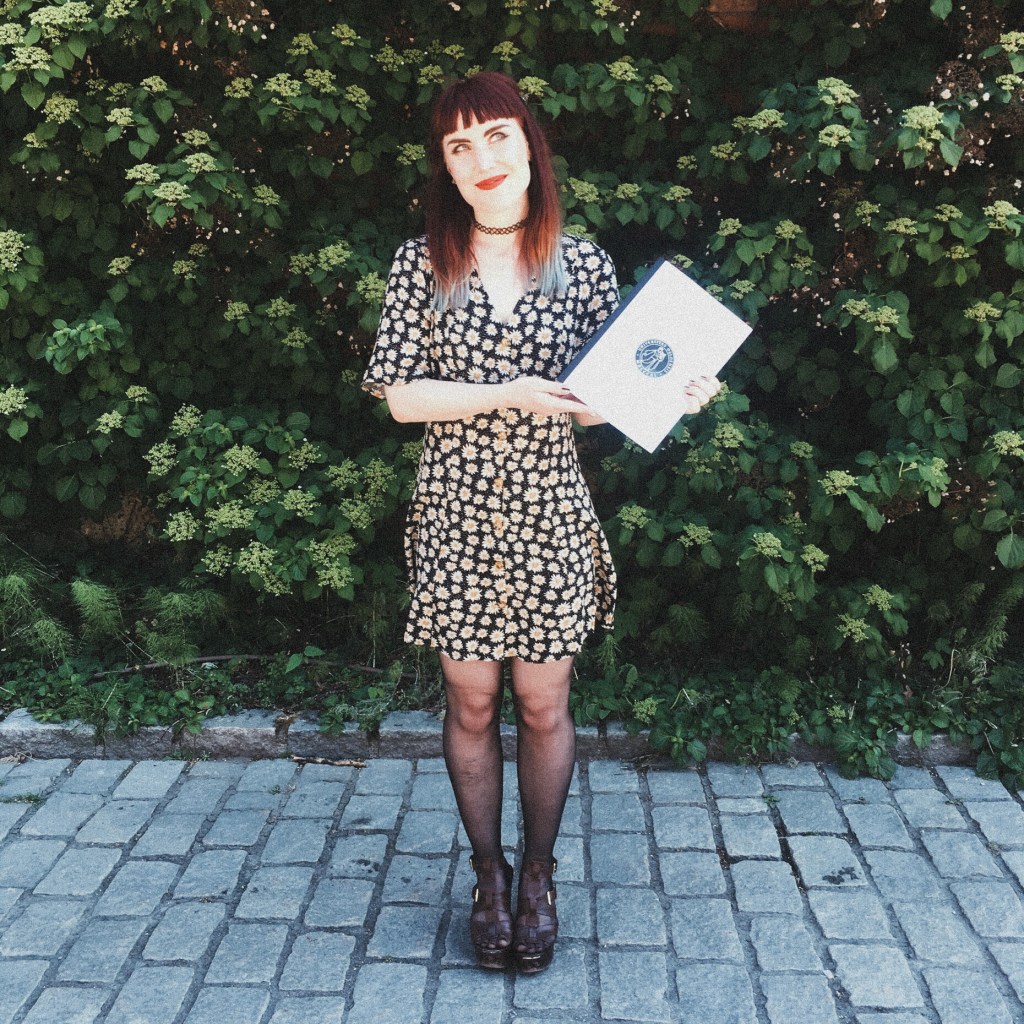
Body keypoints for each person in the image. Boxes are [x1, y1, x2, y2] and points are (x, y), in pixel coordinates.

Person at [361, 71, 720, 973]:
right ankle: (488, 876)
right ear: (446, 167)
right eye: (459, 145)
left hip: (550, 510)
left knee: (544, 703)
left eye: (496, 136)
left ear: (528, 144)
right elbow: (401, 396)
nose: (481, 158)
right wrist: (507, 392)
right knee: (472, 702)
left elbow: (597, 402)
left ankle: (538, 879)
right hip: (456, 513)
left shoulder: (583, 263)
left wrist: (672, 394)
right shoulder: (422, 261)